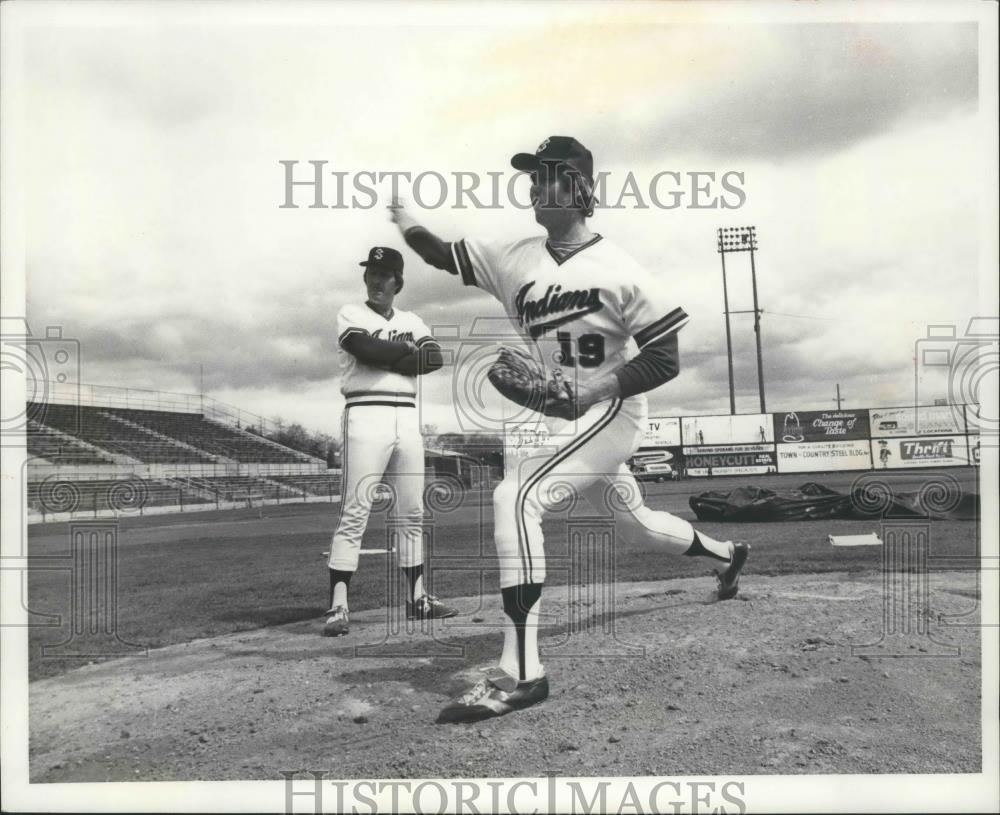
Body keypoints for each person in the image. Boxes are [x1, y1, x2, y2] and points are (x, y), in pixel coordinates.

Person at [389, 136, 749, 723]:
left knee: (516, 496)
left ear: (580, 189)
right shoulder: (512, 258)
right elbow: (439, 254)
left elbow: (665, 358)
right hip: (568, 421)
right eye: (532, 176)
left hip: (612, 411)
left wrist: (594, 390)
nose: (534, 185)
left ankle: (523, 672)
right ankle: (728, 554)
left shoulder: (621, 269)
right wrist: (405, 220)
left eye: (548, 175)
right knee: (638, 525)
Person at [323, 246, 457, 637]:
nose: (377, 280)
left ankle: (417, 599)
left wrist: (388, 354)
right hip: (365, 413)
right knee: (356, 509)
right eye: (372, 273)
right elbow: (362, 348)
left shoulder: (413, 318)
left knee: (412, 513)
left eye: (385, 274)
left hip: (407, 419)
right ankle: (338, 606)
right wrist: (403, 351)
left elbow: (433, 360)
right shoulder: (351, 313)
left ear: (398, 281)